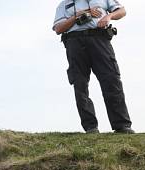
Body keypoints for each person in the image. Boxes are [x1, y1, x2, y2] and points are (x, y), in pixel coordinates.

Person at [53, 1, 134, 134]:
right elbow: (58, 29)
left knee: (112, 80)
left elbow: (122, 11)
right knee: (80, 85)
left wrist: (109, 16)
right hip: (75, 42)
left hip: (100, 39)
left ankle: (122, 125)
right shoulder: (64, 4)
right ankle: (91, 128)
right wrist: (77, 16)